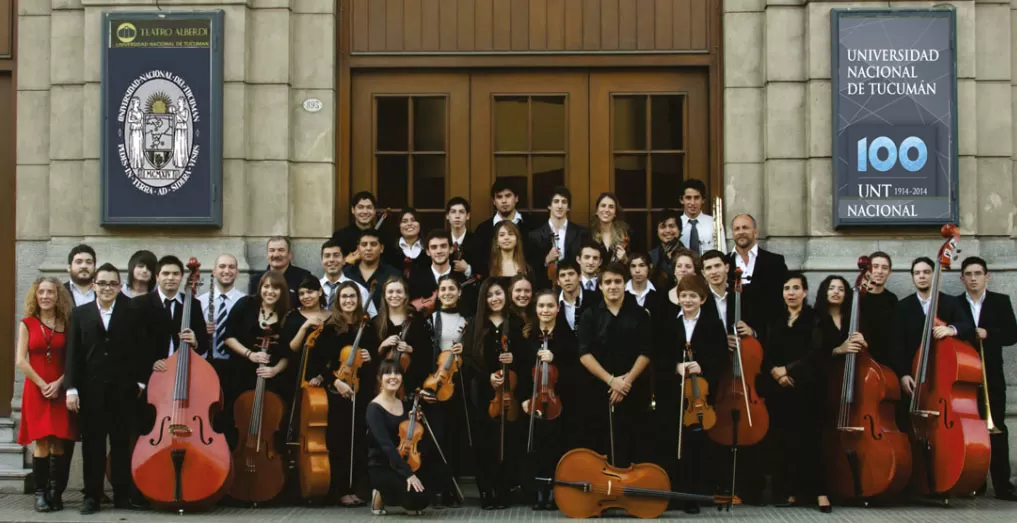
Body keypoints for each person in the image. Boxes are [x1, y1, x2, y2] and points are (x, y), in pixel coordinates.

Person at [64, 264, 141, 514]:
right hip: (91, 392)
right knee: (93, 446)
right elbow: (72, 354)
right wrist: (71, 388)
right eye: (103, 283)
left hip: (123, 391)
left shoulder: (131, 310)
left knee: (120, 444)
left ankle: (122, 495)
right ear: (94, 285)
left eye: (113, 283)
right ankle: (92, 497)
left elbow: (142, 348)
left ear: (120, 286)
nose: (108, 288)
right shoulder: (80, 314)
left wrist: (141, 382)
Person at [652, 275, 726, 514]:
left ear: (702, 299)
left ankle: (692, 496)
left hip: (699, 396)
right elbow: (657, 356)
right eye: (684, 295)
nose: (687, 300)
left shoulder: (713, 325)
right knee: (671, 442)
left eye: (693, 296)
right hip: (673, 393)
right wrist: (676, 367)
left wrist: (701, 365)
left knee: (696, 445)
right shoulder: (668, 323)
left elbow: (722, 357)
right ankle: (674, 493)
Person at [760, 272, 831, 513]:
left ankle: (821, 493)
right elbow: (765, 352)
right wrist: (775, 373)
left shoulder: (816, 318)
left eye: (795, 288)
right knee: (785, 440)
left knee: (810, 441)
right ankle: (790, 492)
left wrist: (789, 371)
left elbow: (816, 351)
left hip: (807, 388)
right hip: (779, 389)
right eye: (787, 288)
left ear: (805, 292)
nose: (790, 292)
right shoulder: (775, 320)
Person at [577, 263, 652, 467]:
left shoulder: (639, 314)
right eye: (607, 282)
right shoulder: (590, 315)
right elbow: (584, 354)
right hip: (599, 389)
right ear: (600, 286)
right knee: (600, 444)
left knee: (632, 441)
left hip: (632, 389)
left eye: (617, 281)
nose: (612, 286)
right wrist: (611, 381)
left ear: (624, 284)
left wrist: (625, 382)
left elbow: (646, 352)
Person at [955, 257, 1017, 500]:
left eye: (978, 273)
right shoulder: (955, 303)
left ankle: (1003, 486)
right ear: (962, 278)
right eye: (968, 274)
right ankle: (975, 483)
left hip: (992, 375)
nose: (973, 278)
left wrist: (989, 333)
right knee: (970, 431)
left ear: (986, 276)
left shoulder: (1001, 301)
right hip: (964, 377)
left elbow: (1013, 333)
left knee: (997, 429)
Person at [312, 282, 378, 506]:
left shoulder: (366, 327)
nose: (348, 301)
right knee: (339, 441)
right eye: (344, 297)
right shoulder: (330, 328)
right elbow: (319, 364)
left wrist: (370, 357)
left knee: (359, 440)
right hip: (338, 391)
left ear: (358, 300)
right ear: (338, 301)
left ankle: (356, 488)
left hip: (362, 390)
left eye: (352, 297)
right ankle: (340, 490)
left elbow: (375, 362)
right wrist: (336, 382)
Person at [462, 278, 526, 509]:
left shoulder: (516, 324)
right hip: (483, 393)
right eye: (490, 295)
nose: (495, 299)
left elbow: (527, 360)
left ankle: (504, 489)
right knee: (484, 442)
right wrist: (487, 377)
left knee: (509, 441)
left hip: (510, 394)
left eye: (499, 293)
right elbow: (467, 361)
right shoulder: (475, 325)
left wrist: (514, 359)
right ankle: (486, 490)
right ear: (484, 300)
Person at [16, 277, 75, 513]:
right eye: (41, 292)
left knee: (58, 441)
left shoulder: (66, 322)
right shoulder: (27, 323)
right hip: (36, 388)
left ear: (58, 295)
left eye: (50, 292)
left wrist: (60, 383)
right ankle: (40, 494)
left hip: (59, 389)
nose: (45, 296)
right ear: (35, 295)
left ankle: (55, 492)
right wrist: (43, 384)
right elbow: (20, 360)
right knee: (41, 441)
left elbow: (73, 358)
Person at [520, 290, 579, 510]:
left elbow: (576, 370)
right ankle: (538, 490)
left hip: (559, 401)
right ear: (536, 309)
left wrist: (556, 358)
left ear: (557, 308)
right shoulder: (528, 336)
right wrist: (525, 398)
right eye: (541, 306)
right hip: (534, 400)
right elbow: (522, 370)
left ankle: (556, 489)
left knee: (557, 445)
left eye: (550, 306)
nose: (545, 310)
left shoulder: (567, 337)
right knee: (536, 446)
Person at [223, 271, 292, 453]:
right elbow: (228, 336)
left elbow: (289, 352)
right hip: (242, 374)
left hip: (273, 380)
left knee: (272, 424)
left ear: (282, 291)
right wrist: (249, 354)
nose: (270, 291)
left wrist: (275, 370)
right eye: (266, 286)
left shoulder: (287, 314)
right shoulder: (246, 304)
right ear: (260, 287)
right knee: (238, 420)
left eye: (275, 288)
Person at [420, 274, 469, 508]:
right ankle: (436, 488)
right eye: (444, 289)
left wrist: (464, 350)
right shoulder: (432, 319)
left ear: (459, 293)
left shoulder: (466, 320)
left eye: (452, 289)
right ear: (438, 293)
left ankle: (451, 488)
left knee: (454, 438)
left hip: (457, 386)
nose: (448, 292)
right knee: (435, 436)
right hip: (435, 383)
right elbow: (424, 353)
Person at [893, 257, 974, 401]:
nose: (922, 276)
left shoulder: (951, 302)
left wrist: (952, 329)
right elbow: (897, 344)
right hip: (914, 377)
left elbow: (968, 327)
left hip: (945, 374)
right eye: (917, 273)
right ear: (913, 278)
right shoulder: (902, 306)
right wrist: (903, 374)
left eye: (926, 272)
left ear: (935, 275)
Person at [132, 255, 209, 386]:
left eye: (175, 274)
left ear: (181, 277)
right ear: (157, 277)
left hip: (183, 376)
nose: (171, 278)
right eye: (166, 273)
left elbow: (204, 344)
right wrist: (151, 363)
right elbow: (132, 343)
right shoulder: (139, 304)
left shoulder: (193, 304)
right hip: (150, 377)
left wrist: (195, 342)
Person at [366, 361, 429, 516]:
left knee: (432, 483)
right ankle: (379, 494)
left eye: (397, 373)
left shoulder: (403, 404)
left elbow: (407, 438)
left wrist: (414, 422)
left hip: (401, 461)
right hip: (381, 465)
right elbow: (386, 445)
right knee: (417, 500)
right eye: (388, 373)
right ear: (380, 378)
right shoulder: (374, 408)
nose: (393, 377)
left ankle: (396, 494)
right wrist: (408, 474)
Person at [727, 214, 788, 338]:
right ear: (732, 234)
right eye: (737, 229)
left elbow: (779, 305)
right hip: (732, 338)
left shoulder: (774, 262)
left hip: (766, 337)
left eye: (745, 228)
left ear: (755, 232)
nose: (741, 232)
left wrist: (757, 332)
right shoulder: (724, 262)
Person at [375, 276, 431, 393]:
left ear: (405, 295)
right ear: (384, 296)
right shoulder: (376, 322)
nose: (394, 295)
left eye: (399, 291)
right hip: (381, 385)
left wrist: (411, 349)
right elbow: (368, 358)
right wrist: (381, 346)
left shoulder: (417, 321)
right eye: (390, 292)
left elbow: (427, 353)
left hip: (410, 384)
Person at [528, 187, 589, 290]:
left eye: (564, 202)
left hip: (575, 287)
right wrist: (546, 260)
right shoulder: (535, 236)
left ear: (568, 207)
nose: (560, 206)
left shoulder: (581, 233)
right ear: (549, 206)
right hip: (544, 288)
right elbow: (531, 267)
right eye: (556, 201)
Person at [198, 254, 246, 375]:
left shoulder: (246, 302)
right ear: (214, 272)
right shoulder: (200, 302)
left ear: (237, 272)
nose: (227, 271)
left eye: (231, 267)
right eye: (222, 266)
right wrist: (202, 330)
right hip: (206, 362)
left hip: (235, 364)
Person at [473, 180, 530, 279]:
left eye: (508, 196)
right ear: (494, 201)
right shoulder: (483, 229)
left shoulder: (530, 225)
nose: (504, 201)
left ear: (516, 198)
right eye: (499, 197)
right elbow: (479, 264)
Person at [343, 229, 401, 313]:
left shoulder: (394, 275)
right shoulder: (346, 274)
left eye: (373, 244)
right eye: (364, 244)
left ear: (381, 248)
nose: (368, 248)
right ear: (358, 248)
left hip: (384, 324)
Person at [408, 230, 463, 313]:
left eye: (443, 246)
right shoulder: (416, 277)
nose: (439, 251)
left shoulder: (461, 276)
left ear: (451, 249)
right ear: (428, 252)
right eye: (434, 247)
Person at [861, 251, 898, 369]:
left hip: (885, 362)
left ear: (889, 272)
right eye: (875, 267)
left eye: (885, 268)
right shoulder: (855, 297)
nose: (879, 271)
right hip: (860, 360)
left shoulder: (892, 299)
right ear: (867, 270)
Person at [319, 239, 375, 317]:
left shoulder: (359, 289)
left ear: (344, 260)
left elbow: (372, 317)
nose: (331, 260)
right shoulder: (314, 289)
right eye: (327, 256)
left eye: (336, 255)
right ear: (322, 261)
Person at [248, 236, 313, 301]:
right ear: (267, 255)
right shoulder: (256, 280)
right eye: (272, 250)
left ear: (289, 255)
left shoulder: (304, 277)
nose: (276, 255)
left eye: (281, 250)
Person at [332, 191, 385, 257]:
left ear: (374, 211)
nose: (365, 211)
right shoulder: (340, 236)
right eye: (360, 207)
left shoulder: (384, 236)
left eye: (369, 207)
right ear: (353, 210)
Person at [384, 208, 429, 281]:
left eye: (413, 220)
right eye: (404, 221)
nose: (409, 224)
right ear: (399, 226)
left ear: (420, 224)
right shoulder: (390, 249)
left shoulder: (429, 248)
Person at [556, 260, 599, 332]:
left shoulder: (596, 299)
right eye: (562, 275)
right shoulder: (553, 302)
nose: (567, 279)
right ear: (558, 281)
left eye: (571, 274)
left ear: (580, 277)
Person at [590, 192, 630, 264]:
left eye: (611, 207)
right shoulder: (587, 235)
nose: (607, 210)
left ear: (615, 213)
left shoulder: (626, 234)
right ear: (596, 211)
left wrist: (625, 259)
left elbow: (634, 264)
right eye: (603, 206)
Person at [701, 250, 734, 331]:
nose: (714, 272)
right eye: (708, 268)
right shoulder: (700, 298)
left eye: (717, 266)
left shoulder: (741, 295)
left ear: (727, 267)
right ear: (703, 273)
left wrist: (752, 331)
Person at [648, 210, 682, 290]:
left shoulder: (689, 255)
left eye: (672, 226)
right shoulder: (651, 256)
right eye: (663, 227)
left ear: (679, 229)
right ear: (657, 231)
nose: (667, 231)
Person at [679, 179, 714, 254]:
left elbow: (722, 252)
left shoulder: (713, 223)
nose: (692, 203)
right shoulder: (676, 224)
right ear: (681, 200)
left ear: (703, 199)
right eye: (688, 198)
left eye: (696, 198)